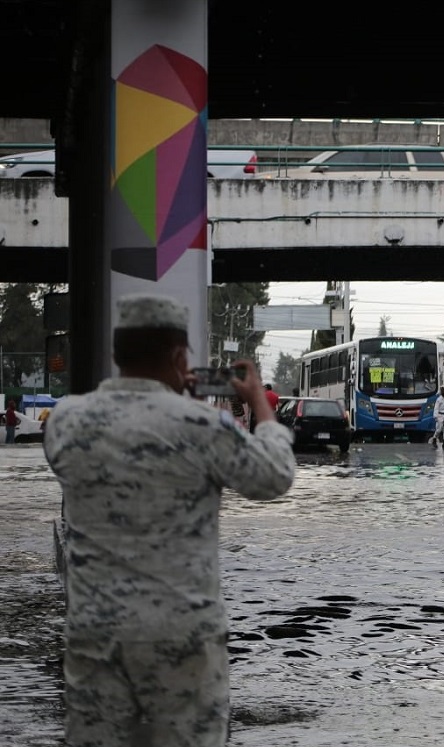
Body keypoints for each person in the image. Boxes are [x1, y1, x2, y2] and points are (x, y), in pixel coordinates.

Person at [42, 293, 296, 747]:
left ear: (118, 354)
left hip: (95, 633)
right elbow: (273, 477)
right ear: (181, 357)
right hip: (179, 636)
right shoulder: (202, 426)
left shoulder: (66, 422)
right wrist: (258, 403)